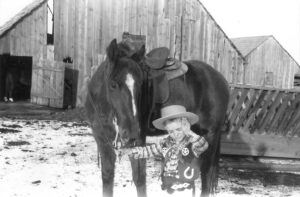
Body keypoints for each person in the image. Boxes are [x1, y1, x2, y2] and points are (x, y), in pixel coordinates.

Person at [127, 105, 208, 196]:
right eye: (171, 131)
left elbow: (203, 145)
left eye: (179, 129)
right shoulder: (165, 143)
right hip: (169, 187)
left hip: (186, 189)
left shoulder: (192, 143)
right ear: (167, 131)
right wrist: (134, 152)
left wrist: (189, 132)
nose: (175, 134)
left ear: (186, 126)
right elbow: (150, 150)